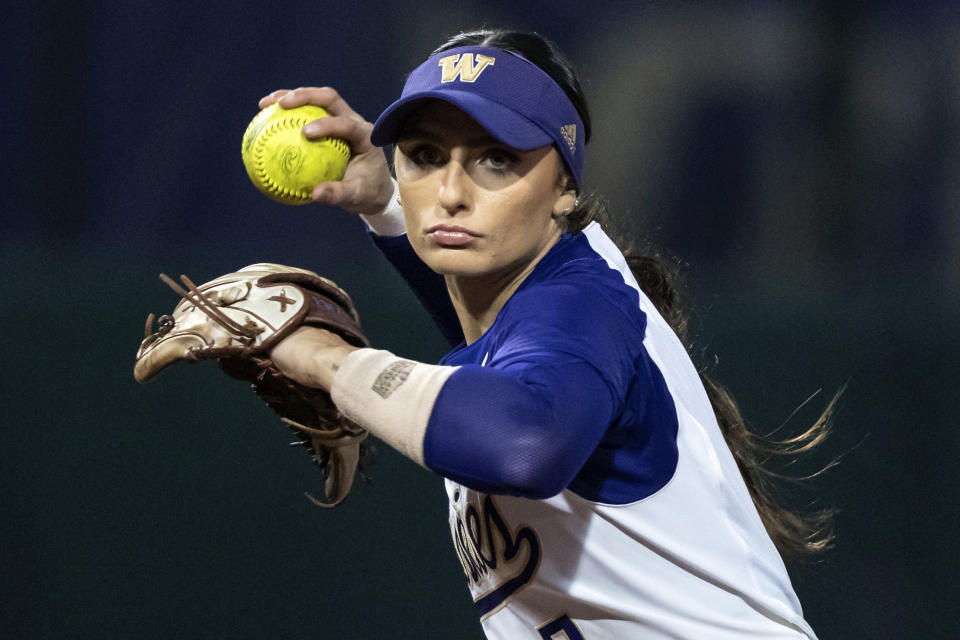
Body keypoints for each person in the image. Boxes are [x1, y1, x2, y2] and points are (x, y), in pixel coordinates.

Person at [260, 29, 834, 639]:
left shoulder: (579, 304)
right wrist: (385, 202)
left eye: (496, 159)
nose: (450, 194)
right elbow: (487, 326)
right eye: (425, 155)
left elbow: (526, 446)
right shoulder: (530, 296)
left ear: (566, 187)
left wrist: (328, 362)